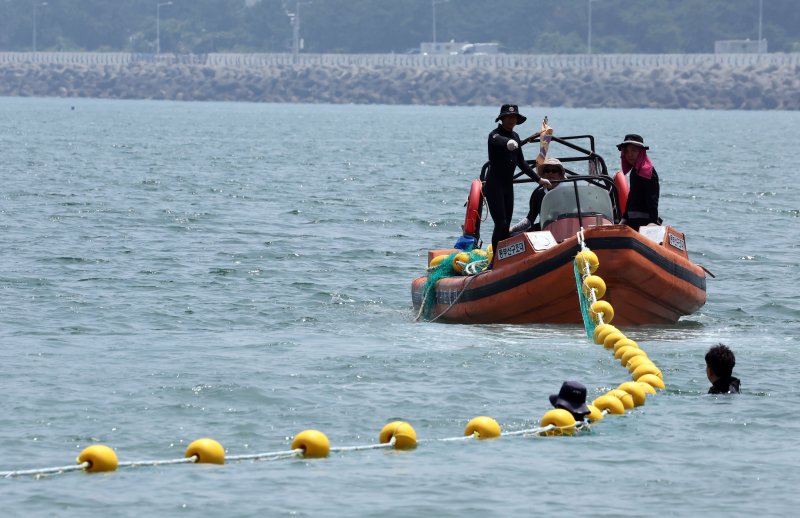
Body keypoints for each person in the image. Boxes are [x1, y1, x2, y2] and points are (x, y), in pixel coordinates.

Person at [485, 104, 552, 267]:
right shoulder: (494, 135)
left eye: (514, 117)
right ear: (502, 119)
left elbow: (521, 163)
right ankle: (494, 261)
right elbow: (500, 142)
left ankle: (503, 258)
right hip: (494, 186)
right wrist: (509, 143)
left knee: (507, 223)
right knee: (500, 223)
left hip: (508, 186)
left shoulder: (515, 135)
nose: (511, 120)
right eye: (508, 117)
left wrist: (539, 179)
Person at [510, 157, 567, 233]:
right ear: (543, 175)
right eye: (547, 171)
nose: (550, 173)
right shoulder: (538, 194)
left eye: (554, 171)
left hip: (566, 229)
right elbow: (529, 220)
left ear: (560, 175)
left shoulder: (568, 193)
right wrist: (512, 229)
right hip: (545, 231)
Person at [617, 134, 660, 231]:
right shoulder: (634, 171)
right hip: (632, 220)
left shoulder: (648, 172)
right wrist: (624, 218)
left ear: (641, 152)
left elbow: (653, 198)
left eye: (633, 151)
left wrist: (652, 221)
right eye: (627, 151)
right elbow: (632, 196)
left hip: (644, 222)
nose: (629, 154)